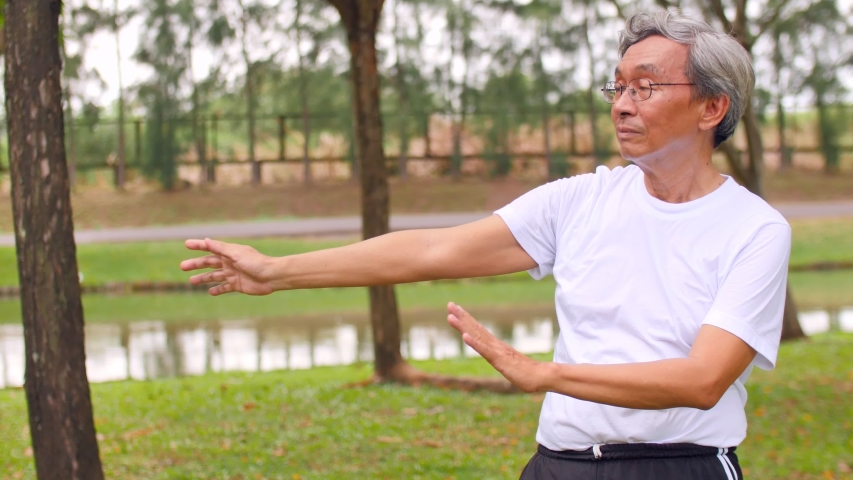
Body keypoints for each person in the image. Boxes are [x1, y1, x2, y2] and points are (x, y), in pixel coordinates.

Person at [181, 11, 790, 480]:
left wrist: (544, 374)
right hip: (560, 462)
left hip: (681, 465)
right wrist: (277, 271)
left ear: (713, 106)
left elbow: (703, 379)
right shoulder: (579, 201)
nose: (624, 105)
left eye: (647, 87)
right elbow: (431, 252)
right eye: (618, 87)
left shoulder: (755, 230)